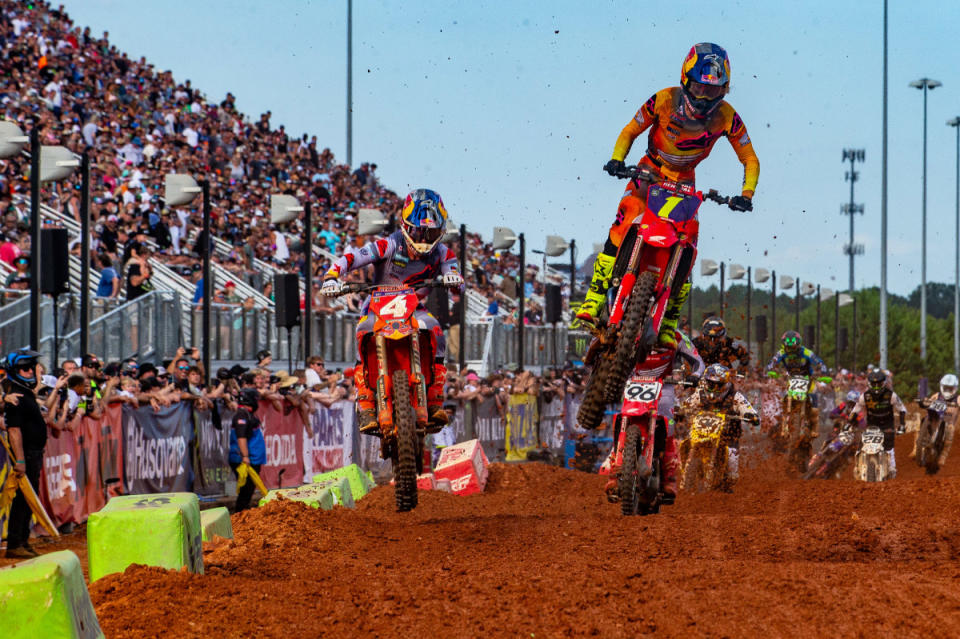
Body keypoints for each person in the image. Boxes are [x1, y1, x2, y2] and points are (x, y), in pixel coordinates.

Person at [575, 42, 759, 348]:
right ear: (686, 80)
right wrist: (618, 159)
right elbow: (630, 130)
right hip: (649, 171)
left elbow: (750, 158)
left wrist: (746, 194)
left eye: (712, 92)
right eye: (699, 89)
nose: (703, 98)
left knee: (690, 241)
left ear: (724, 91)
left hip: (686, 182)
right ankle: (593, 299)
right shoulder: (663, 99)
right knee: (621, 224)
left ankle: (669, 320)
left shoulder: (728, 116)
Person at [321, 189, 464, 433]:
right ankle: (365, 403)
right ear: (406, 226)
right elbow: (353, 257)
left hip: (413, 308)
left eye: (431, 232)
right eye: (420, 231)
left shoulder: (443, 253)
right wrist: (332, 275)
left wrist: (452, 278)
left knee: (436, 330)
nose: (424, 238)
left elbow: (457, 280)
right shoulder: (388, 244)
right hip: (377, 306)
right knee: (362, 331)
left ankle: (435, 397)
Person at [675, 364, 759, 490]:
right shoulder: (701, 393)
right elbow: (687, 404)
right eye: (710, 383)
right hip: (700, 434)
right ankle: (687, 480)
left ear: (725, 384)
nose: (714, 388)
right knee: (686, 444)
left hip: (728, 439)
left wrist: (751, 415)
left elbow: (747, 408)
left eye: (718, 385)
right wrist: (679, 411)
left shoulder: (734, 396)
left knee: (732, 476)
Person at [2, 349, 44, 558]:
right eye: (24, 368)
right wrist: (19, 459)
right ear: (14, 370)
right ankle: (15, 543)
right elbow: (14, 430)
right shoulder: (14, 394)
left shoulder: (23, 391)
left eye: (31, 368)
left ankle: (23, 540)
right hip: (25, 454)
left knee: (29, 498)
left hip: (34, 452)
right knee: (22, 498)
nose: (29, 372)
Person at [765, 330, 828, 440]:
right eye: (788, 348)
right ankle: (784, 425)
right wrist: (770, 369)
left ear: (798, 345)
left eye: (793, 348)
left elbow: (819, 361)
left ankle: (815, 427)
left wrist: (823, 370)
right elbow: (772, 362)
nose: (791, 351)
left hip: (807, 379)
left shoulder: (807, 352)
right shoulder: (782, 352)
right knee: (786, 397)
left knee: (813, 400)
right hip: (792, 379)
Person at [848, 369, 907, 478]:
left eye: (878, 384)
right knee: (862, 444)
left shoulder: (891, 395)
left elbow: (902, 409)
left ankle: (892, 467)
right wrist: (849, 423)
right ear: (870, 384)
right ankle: (857, 466)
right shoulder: (865, 396)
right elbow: (855, 411)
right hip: (872, 425)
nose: (876, 387)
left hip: (887, 425)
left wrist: (902, 425)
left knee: (889, 446)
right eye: (874, 384)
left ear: (883, 383)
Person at [228, 388, 266, 511]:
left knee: (249, 489)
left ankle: (243, 512)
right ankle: (239, 514)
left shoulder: (248, 414)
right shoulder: (241, 415)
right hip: (243, 459)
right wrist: (245, 456)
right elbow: (241, 437)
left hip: (253, 458)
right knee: (246, 489)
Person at [913, 373, 958, 467]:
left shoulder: (957, 398)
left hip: (949, 422)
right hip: (935, 418)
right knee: (924, 418)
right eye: (946, 388)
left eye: (950, 389)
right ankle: (919, 443)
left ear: (955, 388)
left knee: (950, 430)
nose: (947, 390)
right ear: (942, 386)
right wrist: (923, 400)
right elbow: (928, 400)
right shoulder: (937, 395)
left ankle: (943, 456)